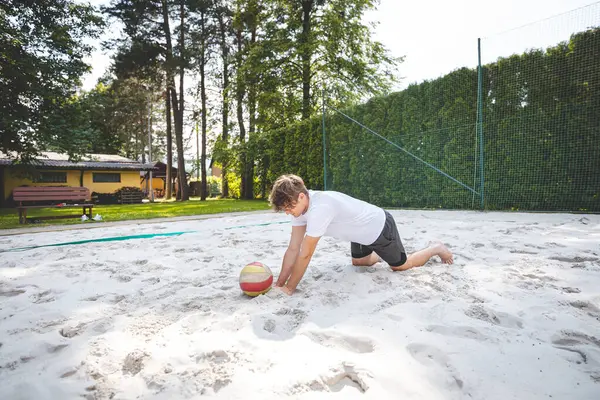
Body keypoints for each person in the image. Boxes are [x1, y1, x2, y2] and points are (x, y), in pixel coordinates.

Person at [268, 174, 453, 295]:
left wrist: (290, 288)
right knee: (359, 263)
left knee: (401, 266)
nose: (287, 212)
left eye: (288, 207)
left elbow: (305, 253)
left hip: (379, 227)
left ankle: (436, 248)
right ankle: (381, 254)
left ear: (301, 196)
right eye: (284, 209)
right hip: (359, 234)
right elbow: (293, 249)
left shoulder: (320, 207)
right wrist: (280, 284)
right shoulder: (299, 210)